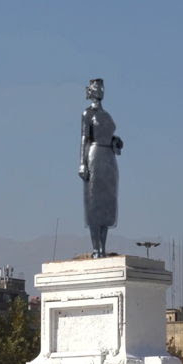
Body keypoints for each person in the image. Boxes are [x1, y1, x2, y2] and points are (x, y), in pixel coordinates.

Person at [78, 78, 123, 258]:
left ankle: (103, 247)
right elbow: (84, 138)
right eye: (97, 87)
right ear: (91, 91)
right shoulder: (87, 114)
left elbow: (109, 134)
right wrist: (82, 163)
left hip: (109, 159)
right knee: (94, 203)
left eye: (102, 87)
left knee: (107, 204)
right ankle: (96, 248)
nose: (101, 90)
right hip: (94, 155)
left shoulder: (107, 115)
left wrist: (115, 141)